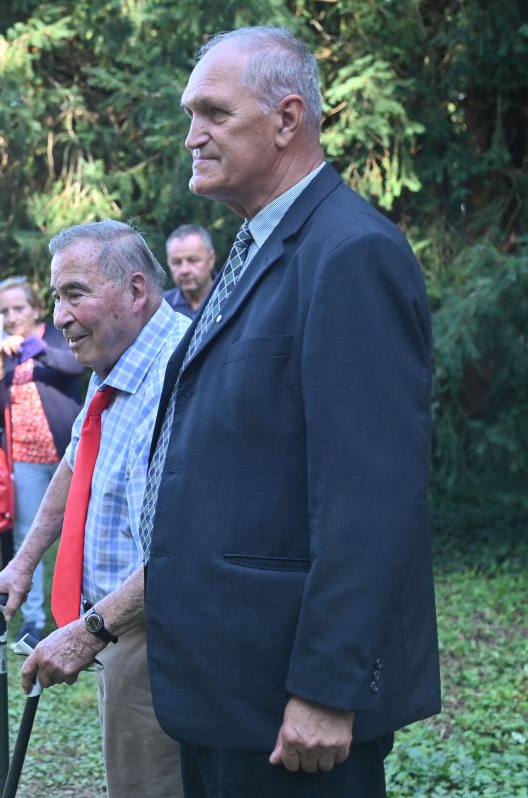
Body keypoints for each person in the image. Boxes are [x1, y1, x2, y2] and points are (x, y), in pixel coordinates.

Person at [142, 26, 441, 797]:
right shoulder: (254, 250)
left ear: (286, 120)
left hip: (290, 709)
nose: (192, 136)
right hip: (228, 688)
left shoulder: (351, 254)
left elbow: (371, 495)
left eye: (213, 113)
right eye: (189, 114)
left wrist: (326, 687)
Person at [0, 221, 190, 798]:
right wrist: (23, 562)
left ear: (135, 290)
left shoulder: (183, 375)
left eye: (75, 294)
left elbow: (182, 547)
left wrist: (91, 631)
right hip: (117, 628)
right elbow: (79, 461)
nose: (59, 317)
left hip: (156, 634)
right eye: (56, 297)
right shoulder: (119, 363)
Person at [0, 277, 84, 641]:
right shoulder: (2, 350)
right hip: (24, 458)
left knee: (79, 533)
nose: (11, 316)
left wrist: (27, 345)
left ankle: (84, 612)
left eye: (18, 308)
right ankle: (33, 618)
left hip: (70, 453)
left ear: (36, 309)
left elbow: (72, 366)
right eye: (4, 310)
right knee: (28, 538)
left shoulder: (56, 335)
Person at [163, 224, 216, 317]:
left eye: (193, 260)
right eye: (176, 262)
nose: (184, 270)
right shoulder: (162, 307)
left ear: (211, 259)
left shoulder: (232, 297)